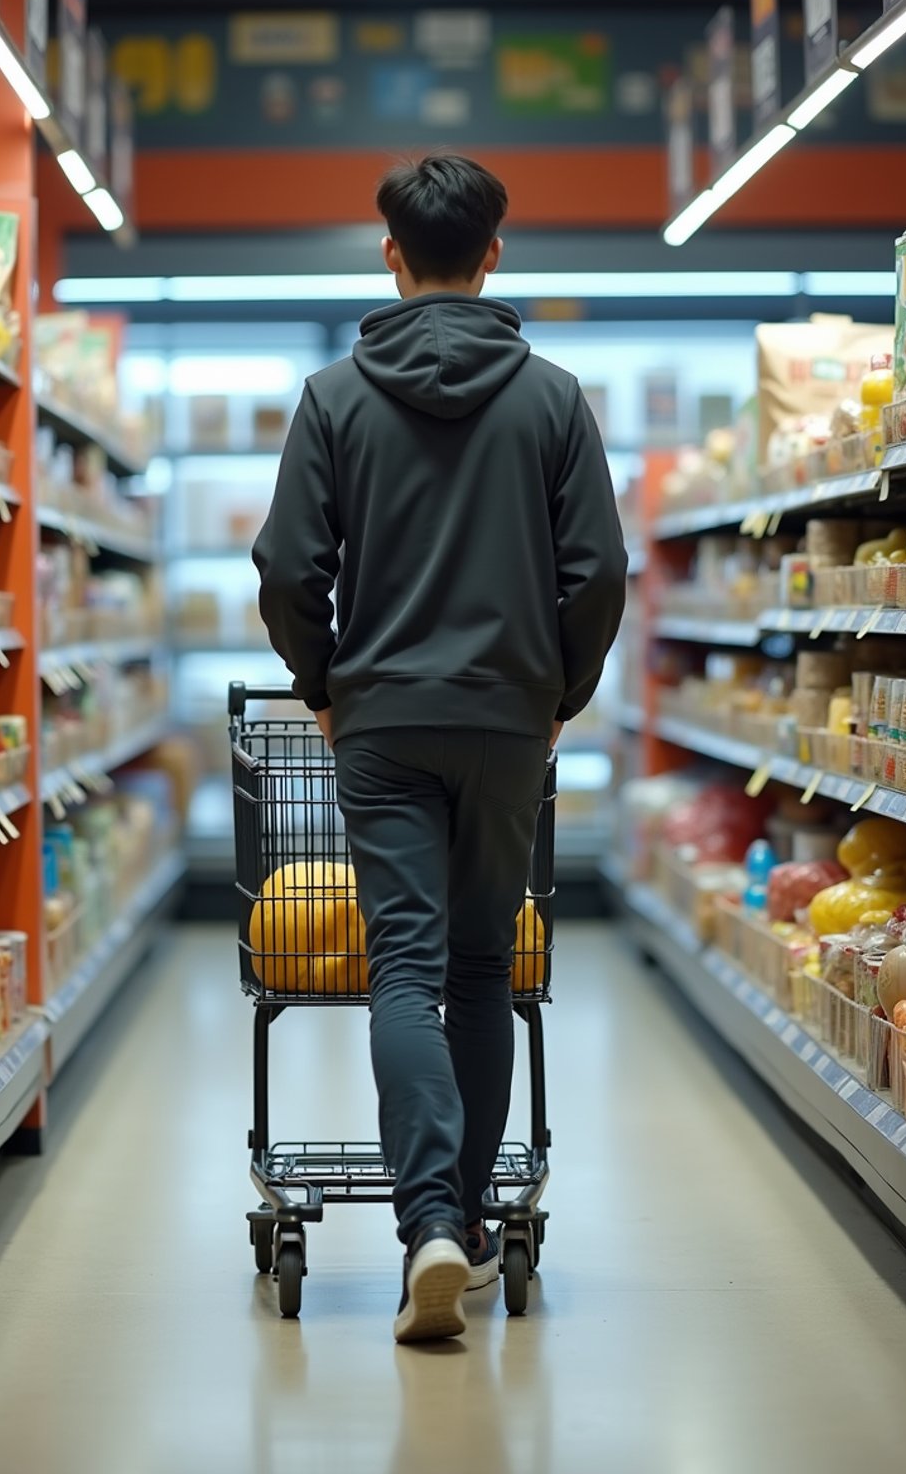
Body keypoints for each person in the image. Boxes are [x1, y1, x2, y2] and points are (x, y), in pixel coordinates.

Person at [253, 153, 627, 1344]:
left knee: (403, 967)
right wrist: (558, 692)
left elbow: (284, 569)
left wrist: (320, 683)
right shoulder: (555, 398)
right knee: (483, 968)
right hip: (512, 714)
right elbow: (598, 575)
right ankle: (461, 1219)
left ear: (390, 254)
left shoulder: (333, 397)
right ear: (495, 255)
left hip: (381, 720)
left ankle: (428, 1228)